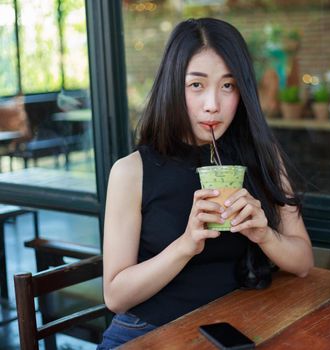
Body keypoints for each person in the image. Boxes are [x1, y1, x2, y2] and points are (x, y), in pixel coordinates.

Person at [97, 17, 313, 349]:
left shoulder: (262, 156)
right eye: (196, 85)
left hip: (234, 327)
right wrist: (185, 245)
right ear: (173, 85)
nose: (213, 104)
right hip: (147, 333)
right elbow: (115, 295)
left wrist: (265, 235)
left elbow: (302, 263)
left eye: (228, 85)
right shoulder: (132, 171)